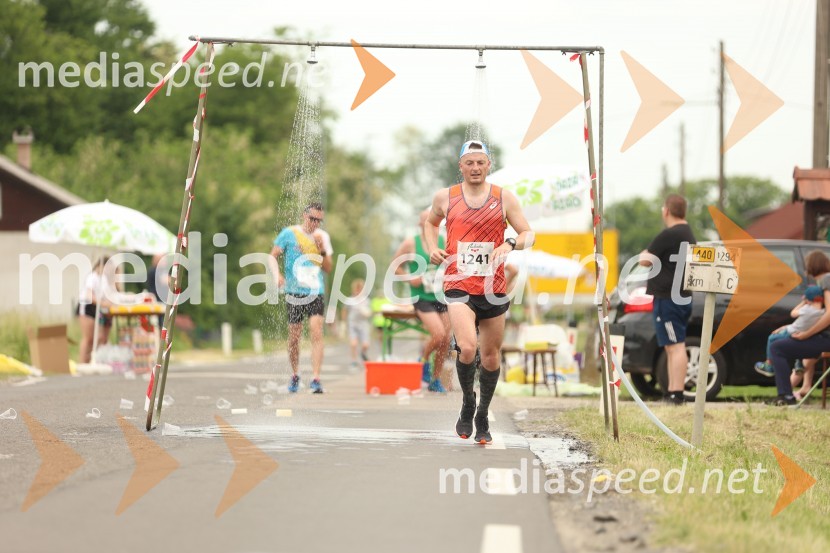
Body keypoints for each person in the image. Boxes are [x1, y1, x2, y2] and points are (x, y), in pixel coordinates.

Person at [424, 140, 533, 444]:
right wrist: (433, 247)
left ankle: (483, 412)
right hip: (459, 282)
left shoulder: (504, 198)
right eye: (469, 163)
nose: (474, 168)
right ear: (460, 166)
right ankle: (467, 402)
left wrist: (510, 243)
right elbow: (430, 223)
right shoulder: (445, 197)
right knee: (468, 348)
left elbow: (528, 233)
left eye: (480, 162)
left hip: (493, 287)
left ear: (488, 165)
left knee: (489, 356)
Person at [268, 203, 333, 393]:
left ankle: (316, 378)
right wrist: (277, 275)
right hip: (294, 291)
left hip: (315, 291)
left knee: (316, 332)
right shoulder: (289, 233)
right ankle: (295, 374)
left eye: (319, 221)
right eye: (312, 219)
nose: (315, 224)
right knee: (294, 337)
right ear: (304, 216)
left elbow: (328, 268)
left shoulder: (323, 237)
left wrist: (321, 250)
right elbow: (272, 256)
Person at [639, 194, 697, 405]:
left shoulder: (670, 234)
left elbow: (645, 260)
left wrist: (645, 252)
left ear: (666, 211)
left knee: (675, 345)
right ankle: (672, 391)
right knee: (672, 345)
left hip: (669, 299)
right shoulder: (688, 233)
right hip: (680, 297)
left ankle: (676, 393)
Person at [392, 208, 452, 393]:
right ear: (421, 225)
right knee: (439, 334)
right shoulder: (411, 243)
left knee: (446, 340)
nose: (431, 226)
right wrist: (410, 277)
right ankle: (423, 360)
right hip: (421, 296)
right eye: (427, 222)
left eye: (435, 222)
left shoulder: (444, 241)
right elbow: (395, 266)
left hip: (441, 295)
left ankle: (435, 379)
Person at [768, 250, 830, 405]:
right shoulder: (822, 283)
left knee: (777, 348)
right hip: (822, 337)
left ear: (811, 267)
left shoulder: (826, 280)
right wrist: (788, 326)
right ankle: (791, 393)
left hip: (826, 338)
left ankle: (786, 396)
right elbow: (814, 317)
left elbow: (829, 314)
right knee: (780, 346)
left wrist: (806, 334)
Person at [754, 285, 825, 393]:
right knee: (798, 348)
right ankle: (799, 364)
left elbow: (793, 313)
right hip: (801, 333)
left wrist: (802, 303)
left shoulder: (807, 309)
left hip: (790, 331)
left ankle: (769, 365)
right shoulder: (823, 312)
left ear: (808, 299)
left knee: (772, 339)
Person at [78, 256, 115, 363]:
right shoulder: (92, 277)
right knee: (88, 337)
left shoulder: (103, 279)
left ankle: (90, 359)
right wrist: (103, 304)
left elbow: (107, 294)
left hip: (97, 308)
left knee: (96, 337)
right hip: (87, 306)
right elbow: (89, 296)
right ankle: (82, 361)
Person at [344, 279, 372, 368]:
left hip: (363, 324)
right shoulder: (350, 300)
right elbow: (344, 310)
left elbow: (369, 312)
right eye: (357, 289)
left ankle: (362, 353)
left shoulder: (366, 300)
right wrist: (344, 322)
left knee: (365, 344)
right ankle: (354, 360)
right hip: (353, 324)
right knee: (354, 344)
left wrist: (366, 313)